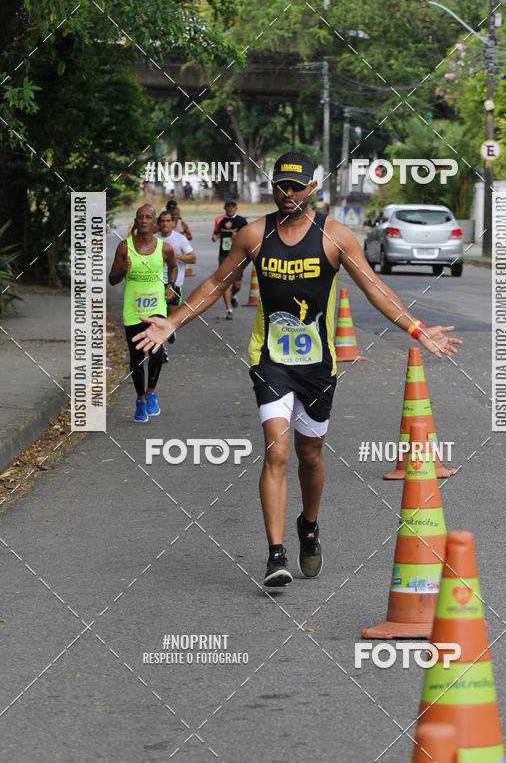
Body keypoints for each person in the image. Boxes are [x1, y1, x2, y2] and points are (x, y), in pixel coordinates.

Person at [132, 151, 461, 586]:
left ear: (312, 189)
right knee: (278, 451)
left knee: (310, 455)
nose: (287, 194)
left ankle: (309, 525)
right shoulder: (254, 234)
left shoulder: (335, 237)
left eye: (296, 186)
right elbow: (216, 282)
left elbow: (375, 288)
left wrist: (418, 330)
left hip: (318, 365)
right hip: (270, 361)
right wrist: (172, 321)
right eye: (280, 186)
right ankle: (275, 554)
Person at [109, 204, 177, 422]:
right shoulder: (124, 247)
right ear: (136, 221)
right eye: (141, 217)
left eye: (149, 217)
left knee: (156, 353)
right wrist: (122, 270)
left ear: (154, 222)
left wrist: (170, 285)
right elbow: (112, 279)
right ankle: (140, 399)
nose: (145, 220)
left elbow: (173, 266)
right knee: (136, 359)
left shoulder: (164, 248)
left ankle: (151, 392)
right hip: (133, 312)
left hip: (157, 308)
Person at [157, 209, 196, 347]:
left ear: (173, 223)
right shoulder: (154, 238)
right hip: (155, 283)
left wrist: (174, 255)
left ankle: (171, 330)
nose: (165, 224)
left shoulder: (180, 239)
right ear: (158, 223)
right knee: (158, 317)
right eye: (162, 221)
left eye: (168, 221)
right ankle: (162, 350)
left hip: (175, 283)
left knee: (169, 318)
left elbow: (193, 258)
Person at [211, 199, 248, 319]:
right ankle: (229, 310)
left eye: (233, 206)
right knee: (224, 283)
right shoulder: (220, 220)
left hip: (237, 256)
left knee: (237, 285)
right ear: (225, 208)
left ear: (236, 208)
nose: (230, 208)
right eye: (228, 206)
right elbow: (216, 232)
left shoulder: (241, 221)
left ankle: (233, 296)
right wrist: (215, 236)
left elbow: (247, 238)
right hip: (224, 256)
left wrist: (238, 237)